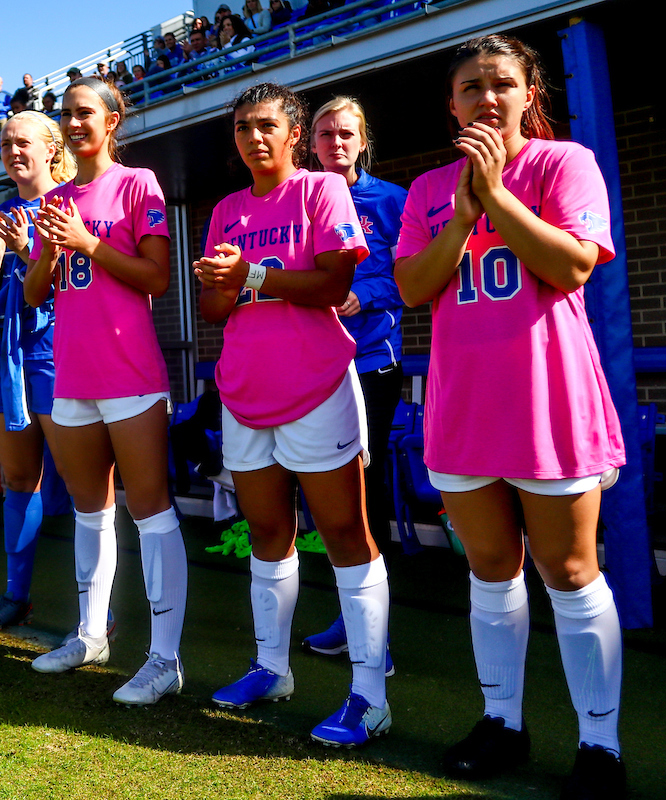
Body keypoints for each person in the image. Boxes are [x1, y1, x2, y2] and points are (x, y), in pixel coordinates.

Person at [393, 34, 627, 798]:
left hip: (548, 399)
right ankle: (503, 723)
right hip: (463, 406)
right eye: (470, 87)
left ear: (530, 93)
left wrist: (495, 197)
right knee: (490, 570)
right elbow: (411, 288)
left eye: (501, 83)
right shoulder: (429, 189)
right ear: (451, 103)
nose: (486, 98)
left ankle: (601, 744)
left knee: (569, 570)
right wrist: (461, 217)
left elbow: (571, 266)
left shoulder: (564, 164)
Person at [194, 83, 389, 748]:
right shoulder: (224, 210)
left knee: (343, 532)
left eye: (267, 125)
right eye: (243, 127)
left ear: (295, 133)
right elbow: (218, 313)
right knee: (267, 532)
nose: (254, 137)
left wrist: (249, 276)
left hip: (317, 384)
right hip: (245, 390)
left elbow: (335, 285)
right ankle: (270, 669)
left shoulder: (321, 192)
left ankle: (369, 694)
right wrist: (220, 285)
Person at [24, 78, 187, 706]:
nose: (72, 123)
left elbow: (157, 276)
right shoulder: (56, 197)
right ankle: (91, 634)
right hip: (74, 372)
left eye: (84, 112)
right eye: (65, 114)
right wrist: (46, 247)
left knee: (150, 509)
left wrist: (90, 242)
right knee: (91, 510)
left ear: (113, 120)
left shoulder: (138, 183)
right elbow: (38, 292)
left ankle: (165, 659)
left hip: (129, 370)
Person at [301, 96, 407, 662]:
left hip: (370, 364)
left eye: (346, 133)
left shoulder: (391, 201)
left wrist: (361, 295)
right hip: (309, 366)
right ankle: (351, 618)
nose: (335, 143)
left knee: (364, 498)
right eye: (325, 134)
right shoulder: (297, 198)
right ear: (309, 142)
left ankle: (377, 637)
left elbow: (415, 277)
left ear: (364, 140)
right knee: (329, 500)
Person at [0, 111, 77, 631]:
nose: (13, 150)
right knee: (17, 478)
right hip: (9, 356)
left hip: (60, 352)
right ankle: (15, 595)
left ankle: (94, 610)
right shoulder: (3, 209)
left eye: (23, 141)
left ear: (52, 148)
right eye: (6, 142)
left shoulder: (74, 200)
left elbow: (67, 283)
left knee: (83, 485)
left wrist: (25, 248)